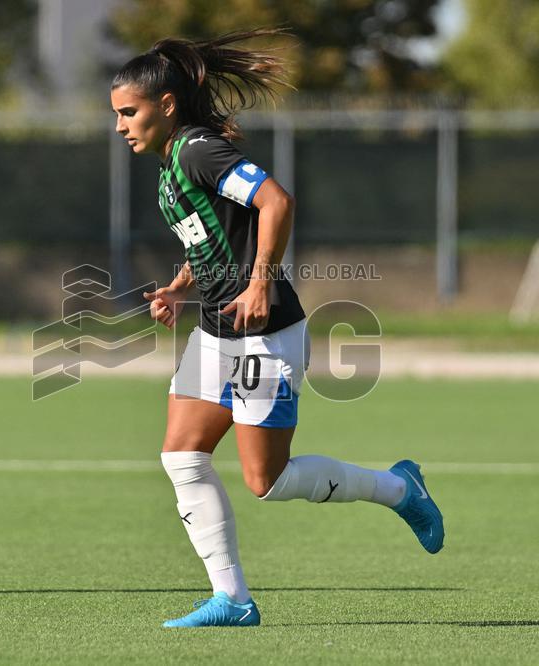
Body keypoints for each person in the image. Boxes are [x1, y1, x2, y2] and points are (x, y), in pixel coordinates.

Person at [109, 29, 444, 628]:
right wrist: (180, 290)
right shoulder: (169, 169)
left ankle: (399, 490)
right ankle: (232, 601)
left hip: (264, 333)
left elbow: (275, 202)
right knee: (182, 457)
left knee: (270, 480)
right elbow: (212, 241)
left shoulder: (196, 150)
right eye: (117, 115)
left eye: (128, 112)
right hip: (216, 332)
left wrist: (262, 280)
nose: (120, 126)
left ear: (165, 106)